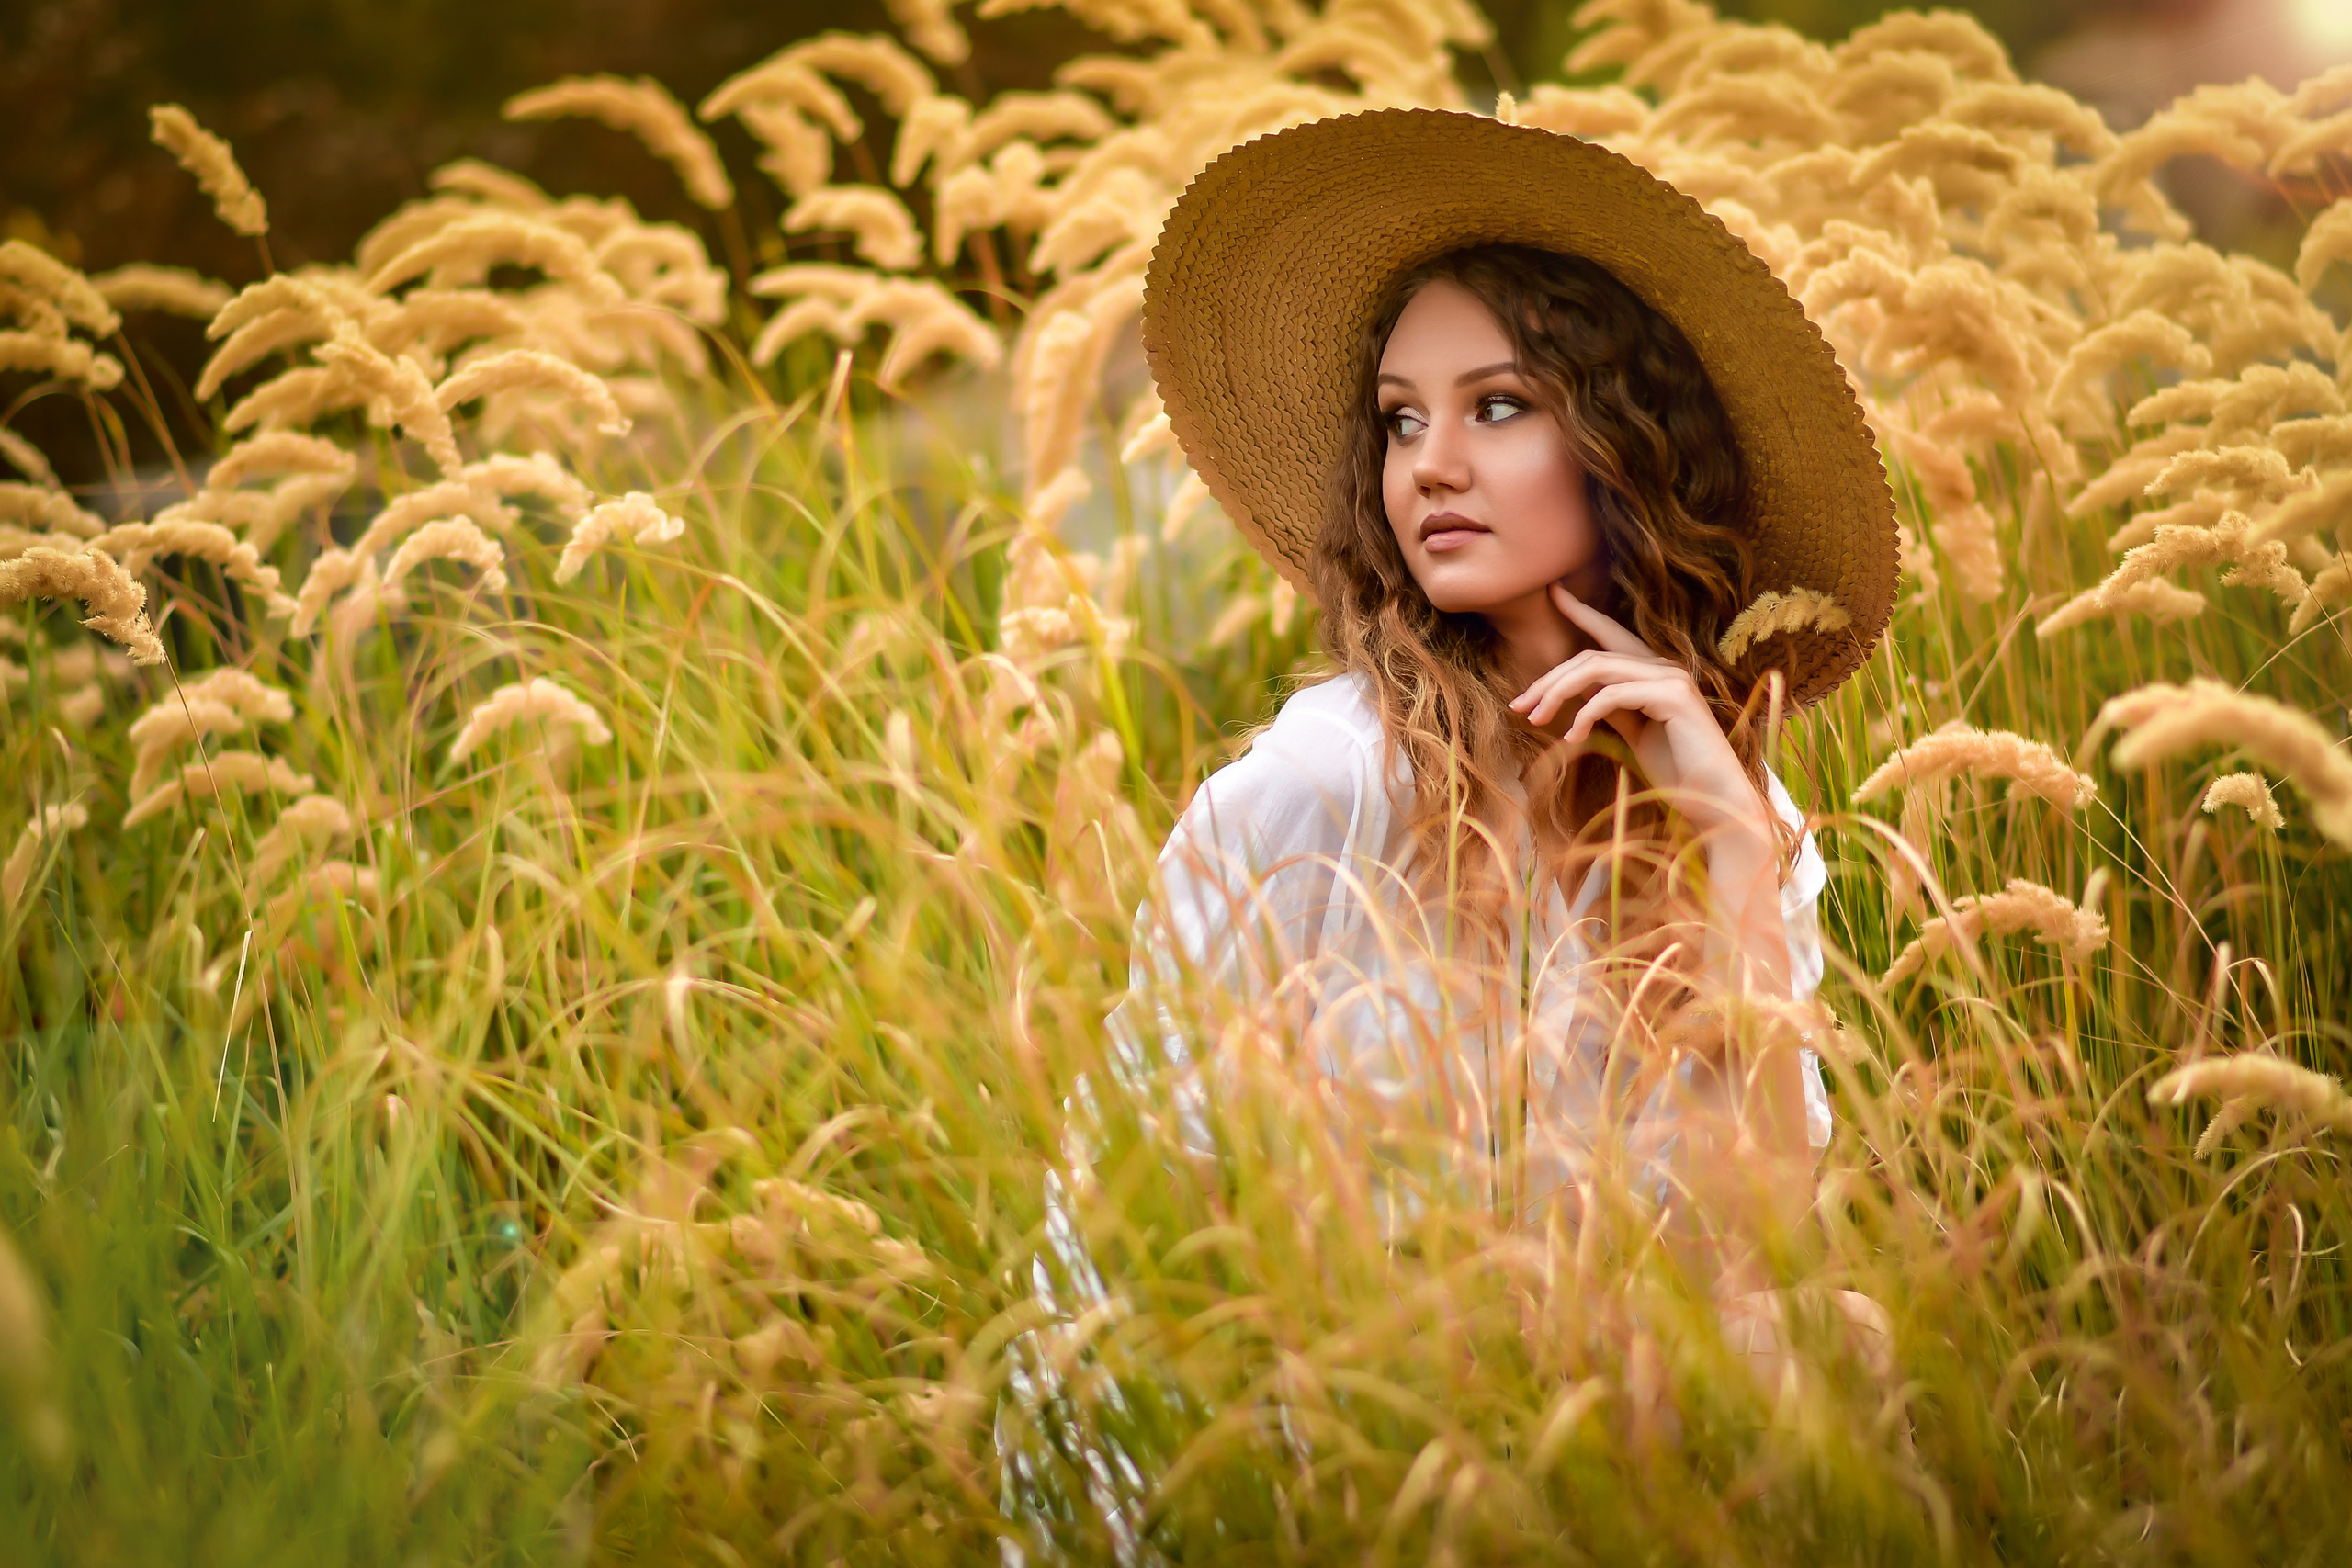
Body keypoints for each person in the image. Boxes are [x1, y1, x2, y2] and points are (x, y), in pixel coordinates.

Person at [1115, 107, 1900, 1295]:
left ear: (1625, 447)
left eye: (1496, 406)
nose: (1430, 464)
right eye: (1401, 419)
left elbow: (1759, 1253)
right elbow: (1145, 1209)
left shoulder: (1739, 814)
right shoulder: (1326, 788)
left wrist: (1735, 850)